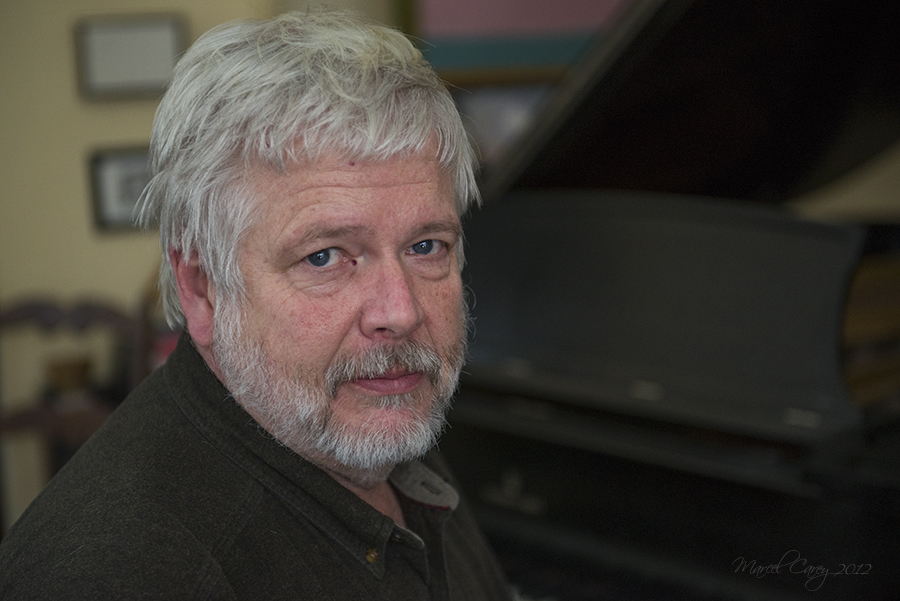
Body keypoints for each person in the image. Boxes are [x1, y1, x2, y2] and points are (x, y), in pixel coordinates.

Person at [0, 10, 513, 600]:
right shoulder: (118, 575)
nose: (400, 313)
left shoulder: (367, 415)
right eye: (324, 257)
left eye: (426, 247)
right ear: (202, 288)